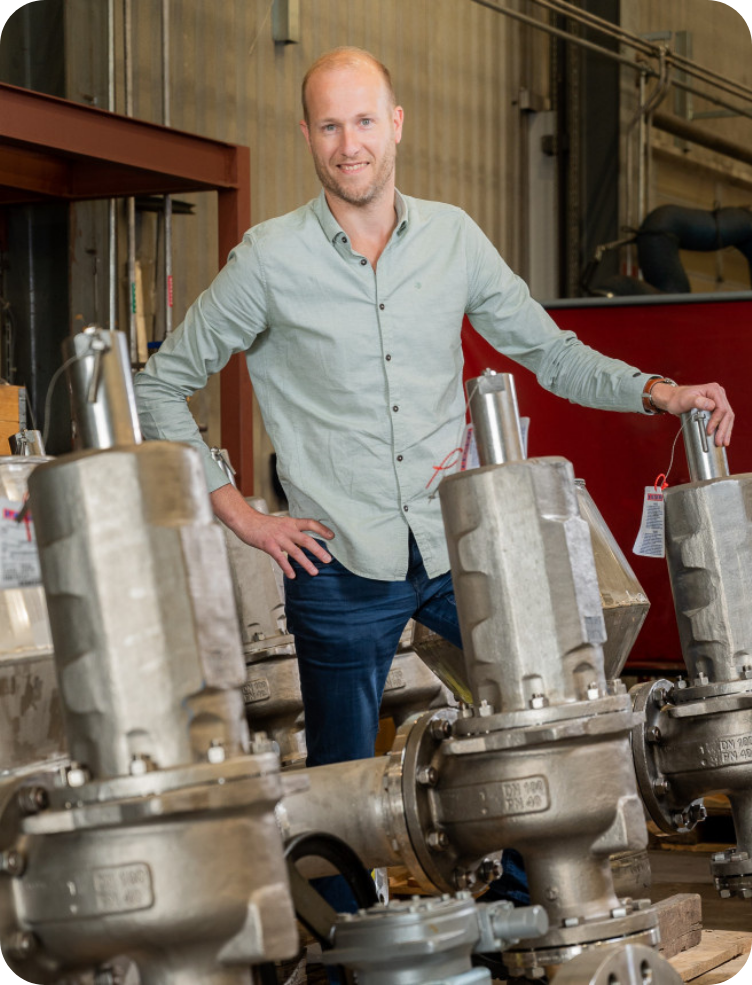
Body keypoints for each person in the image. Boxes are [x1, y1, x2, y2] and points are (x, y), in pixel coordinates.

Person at [135, 45, 733, 906]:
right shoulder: (267, 261)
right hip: (336, 564)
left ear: (397, 125)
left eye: (365, 121)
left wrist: (660, 391)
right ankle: (349, 948)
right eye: (331, 125)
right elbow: (160, 384)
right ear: (307, 134)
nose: (350, 144)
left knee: (525, 724)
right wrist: (241, 513)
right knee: (338, 789)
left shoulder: (453, 238)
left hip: (456, 549)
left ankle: (536, 913)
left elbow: (549, 352)